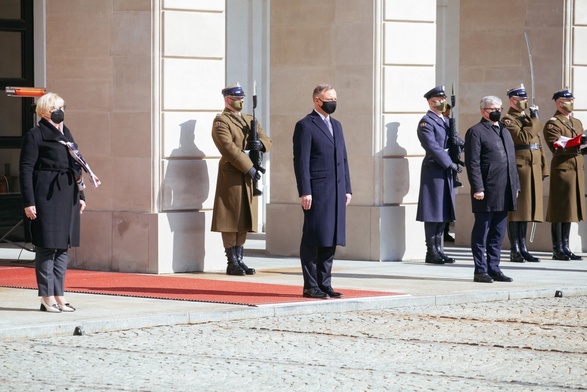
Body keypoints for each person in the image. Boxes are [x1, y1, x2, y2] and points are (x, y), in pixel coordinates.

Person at [19, 93, 87, 312]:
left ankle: (60, 295)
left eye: (63, 106)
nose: (62, 110)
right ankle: (46, 296)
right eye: (58, 107)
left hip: (67, 194)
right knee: (47, 246)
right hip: (46, 195)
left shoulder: (65, 133)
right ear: (46, 110)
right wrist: (29, 202)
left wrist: (82, 195)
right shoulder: (36, 135)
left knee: (62, 247)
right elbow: (26, 169)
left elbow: (76, 165)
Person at [292, 84, 352, 299]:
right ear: (317, 100)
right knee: (313, 238)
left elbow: (343, 159)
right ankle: (310, 285)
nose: (333, 102)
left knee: (331, 238)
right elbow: (301, 162)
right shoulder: (305, 125)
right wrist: (305, 191)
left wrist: (347, 188)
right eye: (329, 98)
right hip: (316, 191)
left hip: (336, 190)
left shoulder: (337, 125)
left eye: (335, 98)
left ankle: (324, 283)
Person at [211, 83, 272, 275]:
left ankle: (240, 259)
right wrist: (249, 167)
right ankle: (232, 261)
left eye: (242, 99)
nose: (240, 102)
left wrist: (259, 144)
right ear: (227, 100)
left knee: (245, 217)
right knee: (231, 218)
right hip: (233, 175)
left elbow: (267, 139)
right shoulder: (221, 122)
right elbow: (228, 148)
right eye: (236, 99)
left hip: (249, 176)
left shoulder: (249, 119)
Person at [464, 96, 519, 283]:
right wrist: (478, 187)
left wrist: (515, 185)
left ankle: (494, 268)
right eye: (492, 108)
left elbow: (512, 161)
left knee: (498, 233)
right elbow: (473, 163)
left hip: (505, 188)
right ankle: (480, 270)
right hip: (486, 189)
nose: (496, 111)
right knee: (482, 231)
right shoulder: (475, 132)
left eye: (499, 108)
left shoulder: (504, 130)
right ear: (483, 111)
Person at [501, 84, 548, 263]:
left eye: (525, 99)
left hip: (533, 166)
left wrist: (543, 166)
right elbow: (523, 138)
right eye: (520, 100)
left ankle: (524, 247)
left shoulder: (527, 118)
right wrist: (536, 120)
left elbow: (538, 142)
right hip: (521, 167)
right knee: (518, 210)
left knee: (528, 209)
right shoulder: (508, 119)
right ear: (512, 101)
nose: (524, 102)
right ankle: (515, 249)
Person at [416, 86, 460, 264]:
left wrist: (463, 145)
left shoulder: (446, 121)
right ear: (429, 102)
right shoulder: (426, 122)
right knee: (433, 210)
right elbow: (432, 146)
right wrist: (449, 163)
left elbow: (455, 139)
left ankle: (439, 249)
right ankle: (431, 250)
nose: (439, 104)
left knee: (443, 209)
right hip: (434, 168)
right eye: (435, 102)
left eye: (441, 101)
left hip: (445, 169)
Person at [543, 88, 585, 260]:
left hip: (576, 169)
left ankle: (566, 246)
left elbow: (580, 144)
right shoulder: (553, 123)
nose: (571, 103)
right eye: (568, 101)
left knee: (570, 209)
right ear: (559, 103)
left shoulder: (576, 122)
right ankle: (557, 248)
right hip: (563, 168)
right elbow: (557, 146)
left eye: (572, 100)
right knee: (559, 209)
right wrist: (578, 142)